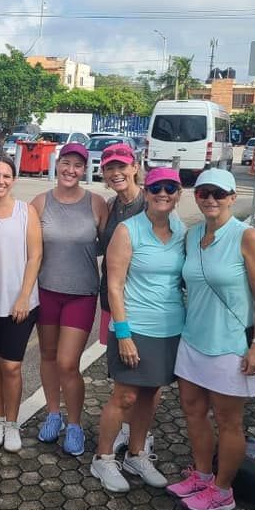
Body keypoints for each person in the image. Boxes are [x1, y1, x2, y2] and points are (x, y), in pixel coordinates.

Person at [168, 169, 255, 510]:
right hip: (193, 339)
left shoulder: (246, 236)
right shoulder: (193, 234)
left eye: (218, 193)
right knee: (193, 411)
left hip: (230, 345)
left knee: (229, 422)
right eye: (203, 193)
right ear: (196, 197)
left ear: (231, 197)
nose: (210, 199)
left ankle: (223, 490)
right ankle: (201, 474)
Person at [91, 167, 186, 493]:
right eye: (156, 187)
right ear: (146, 192)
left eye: (170, 188)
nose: (163, 194)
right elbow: (114, 287)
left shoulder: (181, 230)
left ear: (178, 194)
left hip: (170, 328)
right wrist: (124, 333)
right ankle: (103, 458)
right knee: (125, 395)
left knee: (151, 394)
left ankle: (136, 454)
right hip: (133, 327)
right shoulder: (127, 230)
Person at [31, 142, 108, 456]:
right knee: (48, 356)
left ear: (85, 169)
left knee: (68, 362)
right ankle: (53, 414)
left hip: (82, 294)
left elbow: (110, 243)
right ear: (58, 163)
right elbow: (21, 239)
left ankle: (74, 424)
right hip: (47, 290)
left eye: (78, 165)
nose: (71, 170)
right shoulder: (39, 202)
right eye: (66, 163)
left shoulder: (96, 203)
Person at [0, 157, 41, 453]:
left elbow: (35, 256)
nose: (0, 180)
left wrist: (24, 296)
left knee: (11, 366)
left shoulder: (25, 212)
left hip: (21, 304)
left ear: (13, 180)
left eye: (6, 175)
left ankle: (13, 423)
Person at [97, 142, 155, 455]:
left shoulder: (150, 203)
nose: (116, 173)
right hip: (114, 302)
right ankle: (130, 431)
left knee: (147, 379)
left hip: (144, 306)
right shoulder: (111, 205)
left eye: (122, 166)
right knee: (124, 375)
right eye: (110, 168)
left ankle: (140, 435)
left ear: (134, 167)